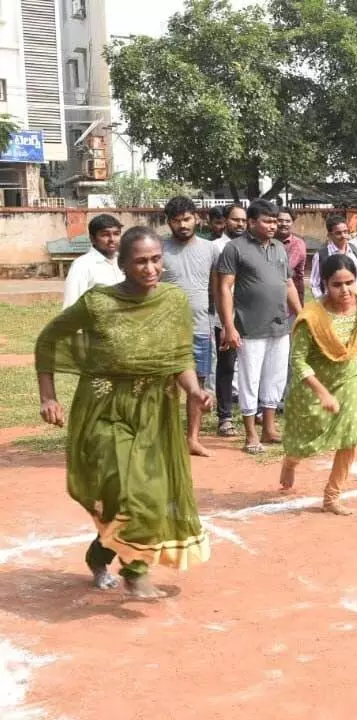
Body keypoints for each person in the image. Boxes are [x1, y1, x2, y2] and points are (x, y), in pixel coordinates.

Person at [36, 227, 211, 598]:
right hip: (104, 410)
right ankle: (135, 572)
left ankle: (101, 556)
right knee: (127, 492)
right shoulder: (98, 303)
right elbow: (49, 339)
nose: (150, 269)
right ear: (124, 264)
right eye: (140, 262)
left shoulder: (173, 301)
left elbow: (180, 358)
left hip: (154, 413)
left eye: (155, 260)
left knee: (149, 493)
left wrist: (195, 390)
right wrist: (48, 397)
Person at [278, 254, 357, 515]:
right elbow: (297, 362)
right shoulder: (311, 318)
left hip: (349, 375)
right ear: (324, 283)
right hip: (314, 383)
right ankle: (291, 460)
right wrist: (322, 393)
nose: (345, 290)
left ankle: (332, 496)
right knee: (305, 441)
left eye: (350, 282)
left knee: (352, 432)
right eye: (337, 284)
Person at [216, 200, 303, 454]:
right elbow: (224, 288)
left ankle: (268, 428)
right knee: (249, 379)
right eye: (267, 220)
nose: (273, 225)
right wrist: (228, 326)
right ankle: (250, 434)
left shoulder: (278, 248)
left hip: (279, 326)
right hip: (249, 327)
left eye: (275, 221)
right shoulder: (235, 249)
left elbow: (288, 284)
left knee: (275, 378)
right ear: (251, 222)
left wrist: (301, 315)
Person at [160, 196, 220, 458]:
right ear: (169, 222)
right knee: (166, 386)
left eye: (186, 218)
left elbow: (217, 289)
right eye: (176, 220)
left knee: (198, 385)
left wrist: (224, 324)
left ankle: (192, 439)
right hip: (165, 331)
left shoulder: (210, 249)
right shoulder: (158, 248)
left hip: (199, 329)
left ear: (196, 217)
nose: (183, 224)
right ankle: (166, 439)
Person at [212, 203, 247, 437]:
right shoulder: (215, 248)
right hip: (225, 317)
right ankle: (225, 416)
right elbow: (215, 288)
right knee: (226, 367)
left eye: (244, 220)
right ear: (225, 221)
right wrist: (225, 323)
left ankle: (254, 413)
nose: (240, 224)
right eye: (236, 220)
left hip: (250, 317)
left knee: (249, 367)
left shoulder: (249, 246)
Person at [63, 214, 124, 307]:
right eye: (105, 235)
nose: (112, 239)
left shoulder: (124, 261)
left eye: (116, 234)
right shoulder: (82, 265)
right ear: (92, 239)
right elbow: (71, 304)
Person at [311, 215, 357, 299]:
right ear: (330, 235)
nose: (343, 236)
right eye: (338, 233)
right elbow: (315, 284)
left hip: (354, 301)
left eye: (345, 232)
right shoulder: (322, 256)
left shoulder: (355, 251)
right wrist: (322, 302)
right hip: (331, 303)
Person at [275, 207, 308, 303]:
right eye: (280, 220)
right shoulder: (267, 241)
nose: (284, 224)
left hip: (292, 299)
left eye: (287, 221)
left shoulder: (297, 244)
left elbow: (285, 269)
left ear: (292, 223)